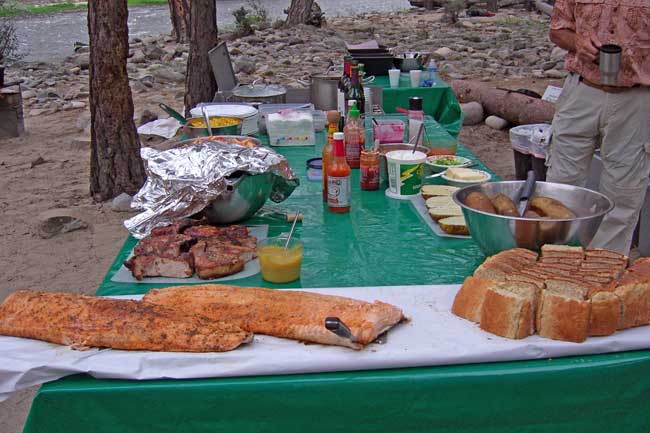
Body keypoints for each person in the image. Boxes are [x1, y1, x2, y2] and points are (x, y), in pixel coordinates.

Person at [547, 0, 650, 254]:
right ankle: (557, 264)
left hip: (636, 98)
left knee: (623, 195)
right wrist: (578, 42)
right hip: (581, 92)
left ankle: (602, 276)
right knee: (560, 187)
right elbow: (558, 29)